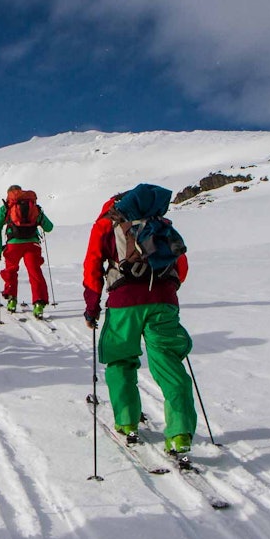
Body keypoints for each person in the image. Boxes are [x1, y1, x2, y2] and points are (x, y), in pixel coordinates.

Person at [82, 184, 195, 456]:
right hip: (164, 301)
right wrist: (165, 292)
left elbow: (92, 266)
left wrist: (92, 306)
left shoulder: (105, 225)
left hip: (124, 302)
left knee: (120, 359)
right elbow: (182, 266)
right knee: (168, 360)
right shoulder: (160, 223)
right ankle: (180, 433)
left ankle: (126, 422)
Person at [0, 184, 54, 318]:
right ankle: (38, 304)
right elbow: (49, 227)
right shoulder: (34, 207)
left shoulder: (6, 208)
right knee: (34, 272)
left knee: (11, 271)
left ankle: (12, 300)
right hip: (32, 244)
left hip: (13, 245)